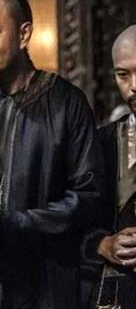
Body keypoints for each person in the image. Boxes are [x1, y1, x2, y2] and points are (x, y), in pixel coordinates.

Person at [0, 0, 104, 309]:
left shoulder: (66, 103)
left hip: (43, 280)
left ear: (24, 34)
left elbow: (88, 197)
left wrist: (12, 226)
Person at [81, 25, 136, 308]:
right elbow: (70, 222)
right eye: (123, 75)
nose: (133, 86)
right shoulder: (100, 143)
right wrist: (103, 244)